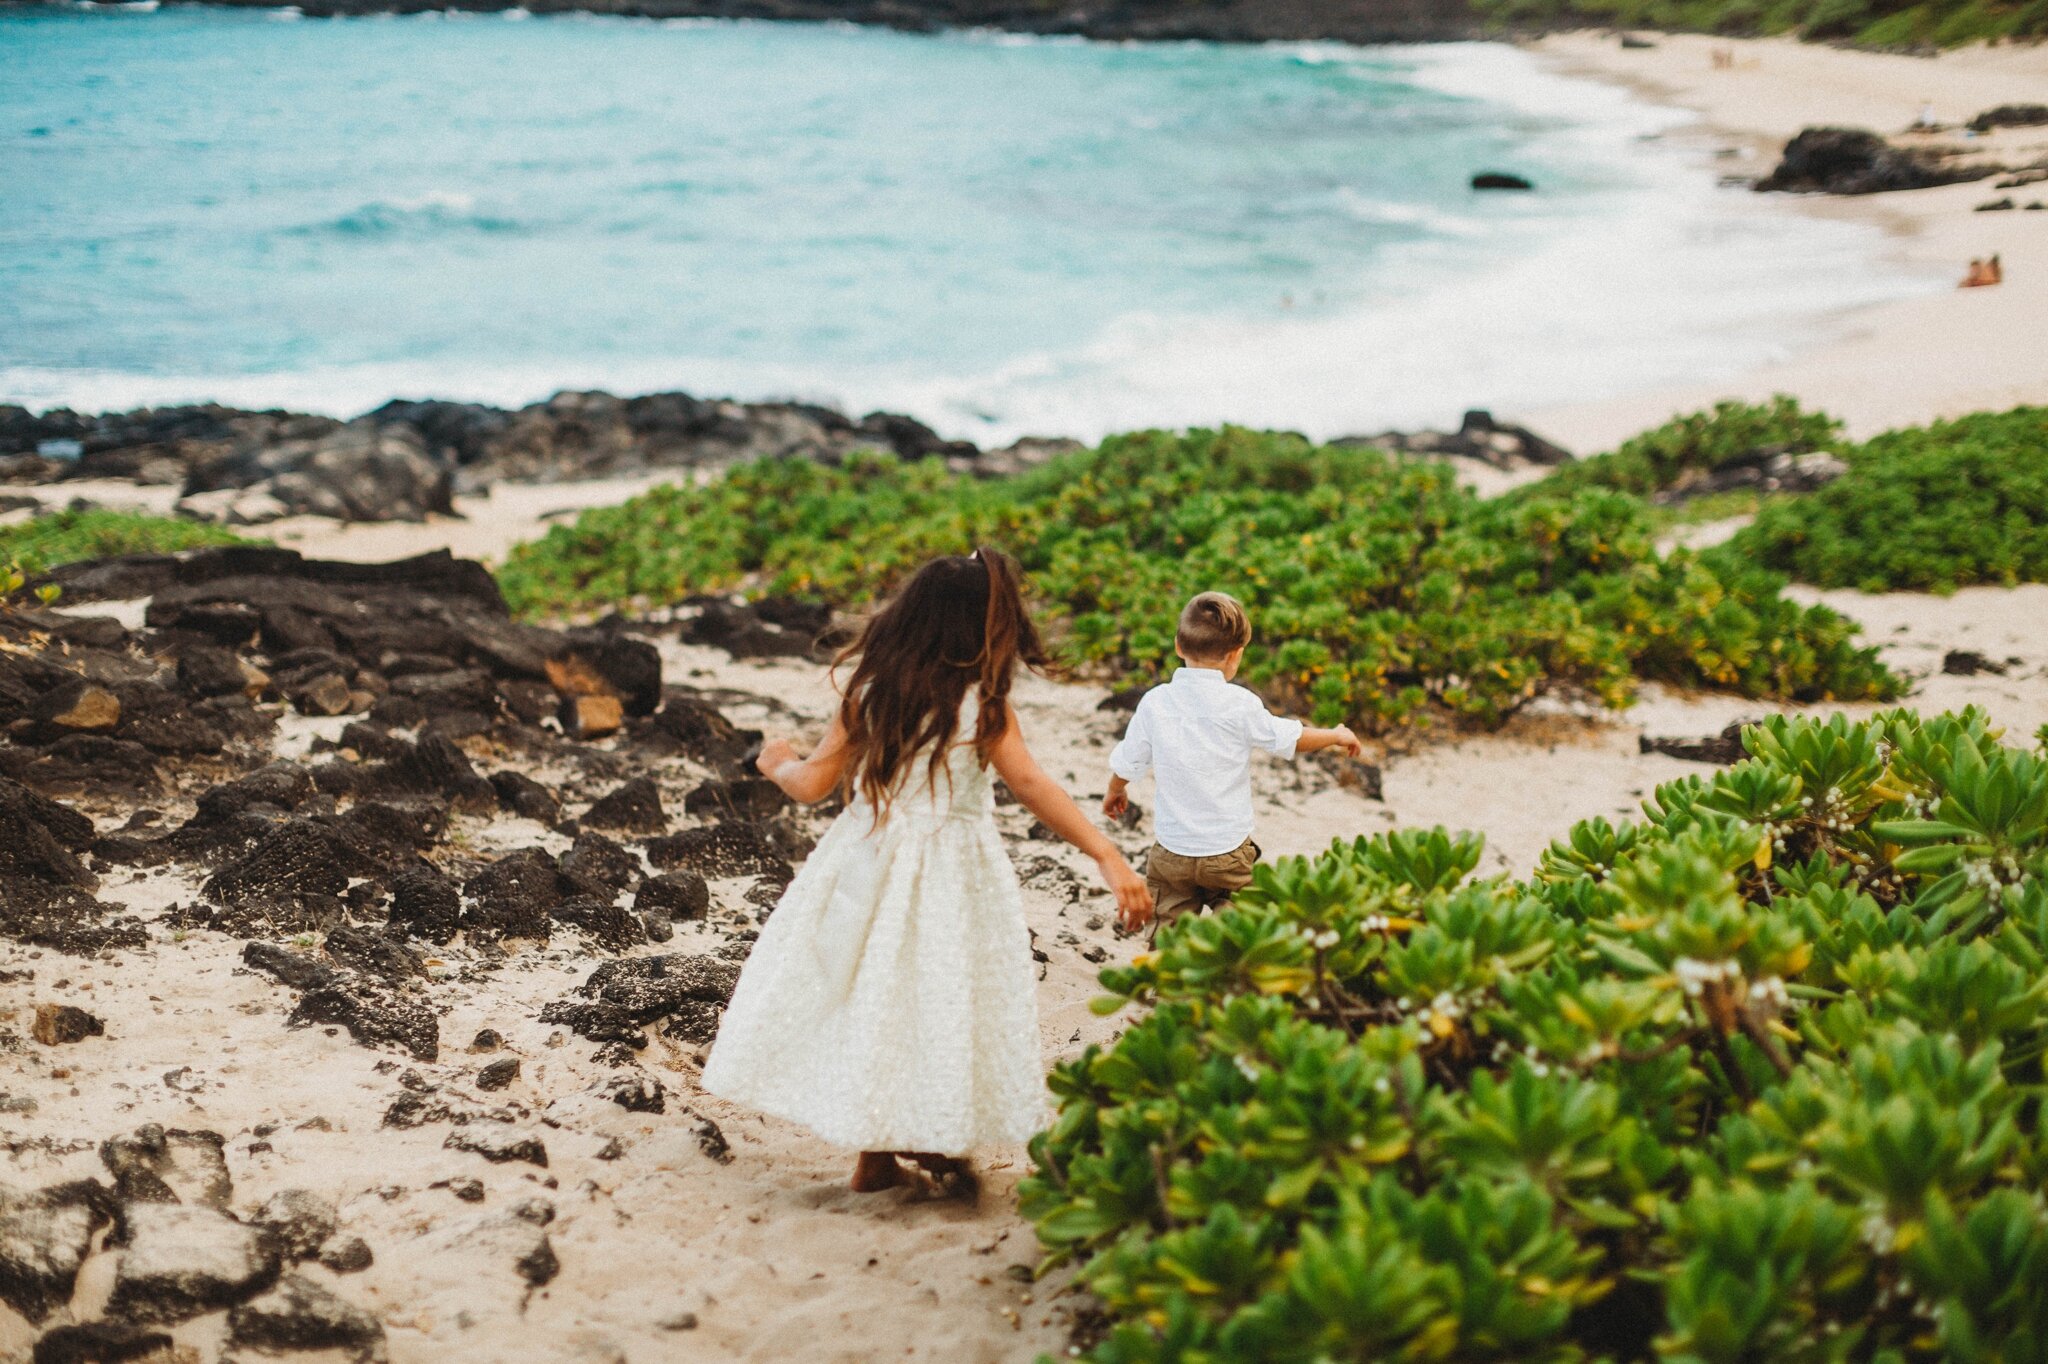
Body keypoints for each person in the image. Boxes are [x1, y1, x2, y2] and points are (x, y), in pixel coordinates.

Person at [700, 549, 1153, 1196]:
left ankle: (878, 1155)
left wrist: (775, 760)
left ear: (910, 617)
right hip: (953, 874)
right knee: (936, 1000)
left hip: (868, 860)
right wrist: (1105, 853)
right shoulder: (983, 705)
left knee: (874, 995)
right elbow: (1031, 784)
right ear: (982, 630)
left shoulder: (873, 692)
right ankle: (915, 1142)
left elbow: (810, 785)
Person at [1103, 591, 1363, 937]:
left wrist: (1115, 790)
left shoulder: (1155, 702)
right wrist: (1334, 734)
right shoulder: (1240, 704)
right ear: (1235, 656)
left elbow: (1130, 759)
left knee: (1168, 930)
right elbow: (1289, 738)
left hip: (1171, 852)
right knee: (1244, 923)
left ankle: (1168, 983)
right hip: (1228, 852)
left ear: (1178, 646)